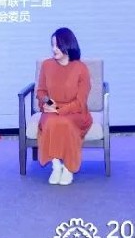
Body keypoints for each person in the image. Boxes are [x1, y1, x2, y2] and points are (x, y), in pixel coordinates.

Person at [36, 28, 93, 186]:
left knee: (65, 123)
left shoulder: (81, 69)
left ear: (68, 45)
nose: (54, 49)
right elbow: (41, 92)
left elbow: (80, 102)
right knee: (50, 122)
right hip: (52, 110)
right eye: (52, 45)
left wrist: (60, 110)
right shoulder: (47, 65)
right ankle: (56, 166)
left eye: (57, 45)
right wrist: (49, 104)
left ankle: (68, 167)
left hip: (76, 111)